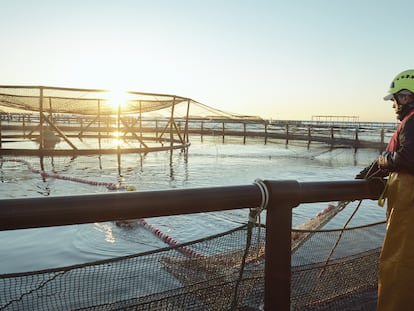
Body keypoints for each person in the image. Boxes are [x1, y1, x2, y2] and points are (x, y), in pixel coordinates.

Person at [356, 69, 414, 310]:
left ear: (405, 97)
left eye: (393, 100)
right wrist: (363, 177)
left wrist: (381, 162)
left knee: (399, 264)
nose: (393, 106)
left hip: (408, 209)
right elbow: (396, 154)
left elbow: (406, 159)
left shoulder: (412, 122)